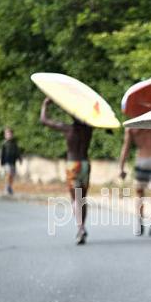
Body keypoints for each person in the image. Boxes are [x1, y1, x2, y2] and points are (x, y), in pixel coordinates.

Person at [40, 98, 93, 245]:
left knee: (75, 199)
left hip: (73, 166)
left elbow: (44, 120)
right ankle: (83, 226)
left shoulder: (68, 129)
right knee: (83, 199)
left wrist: (45, 104)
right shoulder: (89, 128)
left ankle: (80, 228)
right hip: (85, 164)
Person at [119, 128, 151, 236]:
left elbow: (126, 147)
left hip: (141, 161)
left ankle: (140, 224)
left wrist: (121, 167)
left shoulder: (131, 128)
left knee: (139, 194)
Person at [0, 128, 22, 195]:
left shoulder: (14, 144)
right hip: (7, 162)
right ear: (5, 135)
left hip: (13, 162)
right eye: (6, 134)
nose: (8, 135)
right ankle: (6, 188)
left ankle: (9, 187)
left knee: (12, 175)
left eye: (9, 134)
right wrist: (2, 162)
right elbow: (2, 154)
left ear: (12, 135)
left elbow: (17, 152)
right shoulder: (4, 144)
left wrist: (20, 159)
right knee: (9, 174)